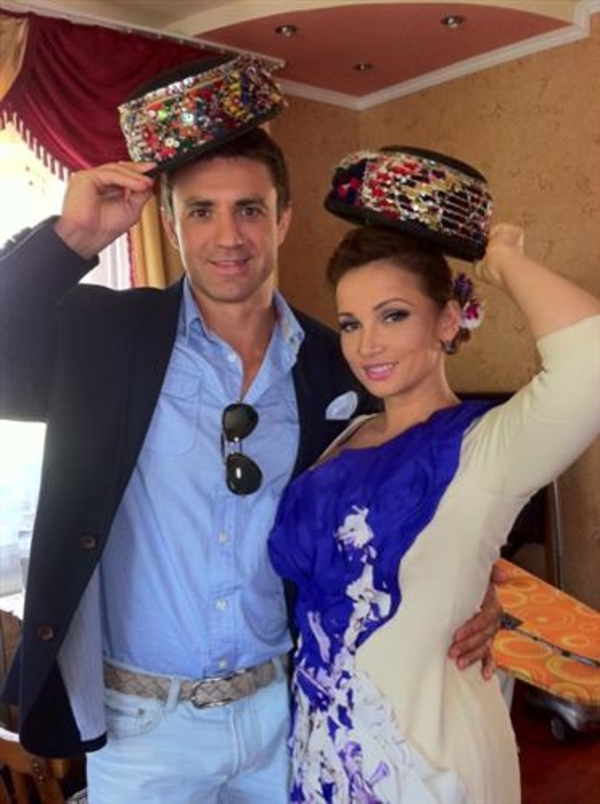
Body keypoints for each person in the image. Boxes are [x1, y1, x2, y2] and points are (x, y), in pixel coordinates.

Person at [0, 62, 500, 801]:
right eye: (201, 211)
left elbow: (414, 490)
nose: (227, 236)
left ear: (283, 219)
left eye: (250, 210)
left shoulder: (340, 363)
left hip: (285, 712)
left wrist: (478, 585)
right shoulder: (106, 334)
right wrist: (72, 236)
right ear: (169, 222)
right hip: (143, 726)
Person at [268, 147, 600, 803]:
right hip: (324, 745)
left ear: (447, 320)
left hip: (428, 762)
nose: (367, 344)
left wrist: (501, 260)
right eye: (351, 323)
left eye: (393, 315)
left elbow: (589, 360)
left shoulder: (485, 447)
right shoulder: (346, 435)